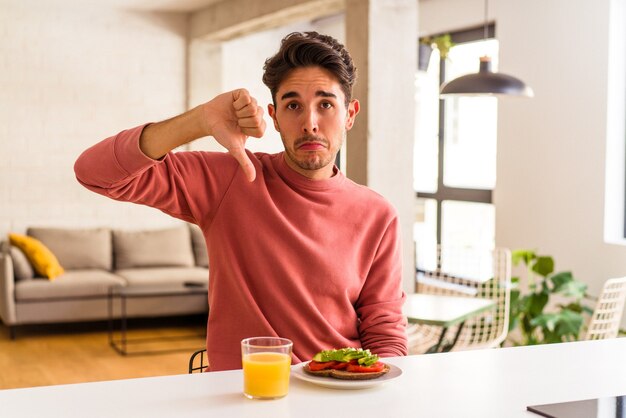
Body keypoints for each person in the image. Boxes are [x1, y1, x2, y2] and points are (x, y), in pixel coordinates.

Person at [74, 31, 407, 371]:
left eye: (325, 104)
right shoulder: (232, 178)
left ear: (350, 114)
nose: (309, 123)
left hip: (338, 391)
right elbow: (94, 172)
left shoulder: (378, 215)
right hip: (243, 395)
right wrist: (200, 120)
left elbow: (384, 330)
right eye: (293, 105)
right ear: (274, 117)